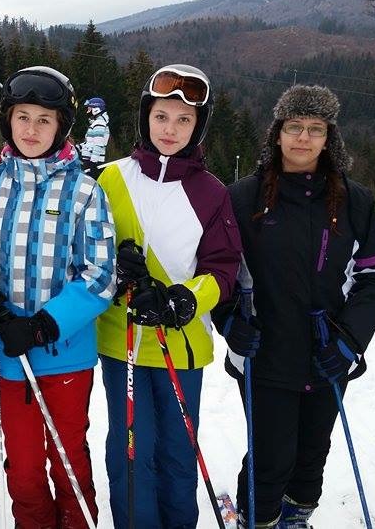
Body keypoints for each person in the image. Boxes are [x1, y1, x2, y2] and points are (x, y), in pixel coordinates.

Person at [211, 84, 375, 528]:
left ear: (329, 139)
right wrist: (230, 321)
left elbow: (374, 278)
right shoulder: (242, 197)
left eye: (316, 128)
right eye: (294, 126)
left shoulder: (354, 200)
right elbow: (219, 269)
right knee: (272, 455)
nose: (304, 137)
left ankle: (296, 516)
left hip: (328, 351)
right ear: (277, 134)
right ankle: (259, 519)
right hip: (264, 350)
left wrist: (350, 341)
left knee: (313, 452)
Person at [94, 64, 242, 529]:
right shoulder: (111, 179)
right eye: (161, 116)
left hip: (181, 344)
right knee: (131, 451)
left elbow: (223, 268)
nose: (170, 129)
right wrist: (115, 268)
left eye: (183, 120)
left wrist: (184, 299)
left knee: (177, 452)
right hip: (121, 342)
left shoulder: (211, 193)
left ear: (199, 126)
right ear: (146, 117)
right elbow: (86, 250)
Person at [0, 65, 115, 529]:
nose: (31, 130)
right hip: (8, 354)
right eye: (23, 117)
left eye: (44, 120)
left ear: (61, 127)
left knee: (67, 457)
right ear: (7, 120)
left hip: (64, 354)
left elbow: (101, 274)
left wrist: (43, 325)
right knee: (24, 465)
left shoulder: (84, 191)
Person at [77, 96, 110, 178]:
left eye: (89, 109)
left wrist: (93, 162)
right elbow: (90, 142)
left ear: (96, 109)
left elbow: (98, 144)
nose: (87, 111)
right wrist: (77, 148)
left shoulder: (99, 123)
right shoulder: (96, 123)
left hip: (92, 162)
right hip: (89, 160)